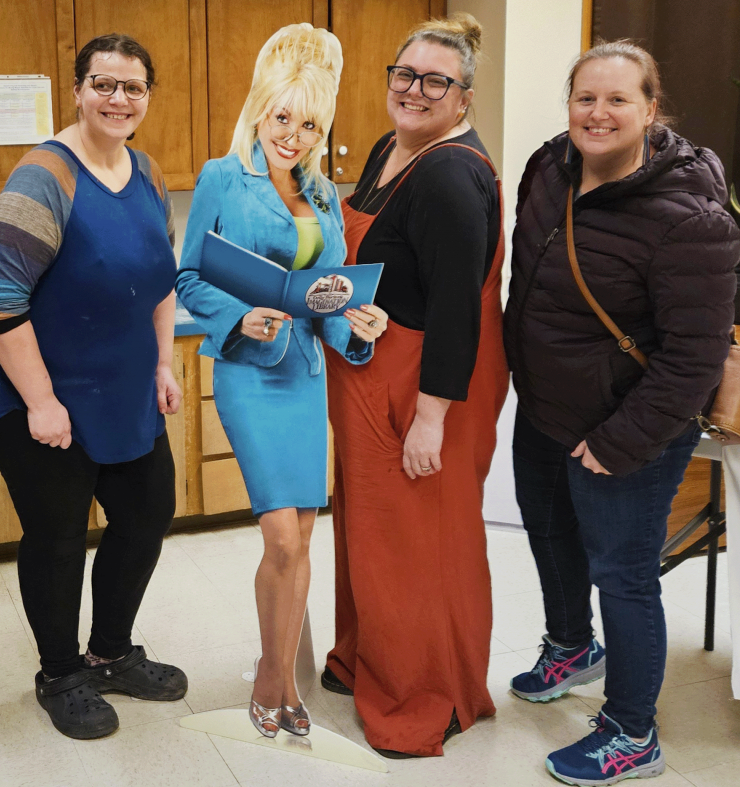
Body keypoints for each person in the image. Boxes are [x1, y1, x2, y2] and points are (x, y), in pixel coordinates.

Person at [505, 40, 739, 786]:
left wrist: (621, 440)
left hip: (628, 430)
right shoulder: (549, 165)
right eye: (585, 98)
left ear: (650, 109)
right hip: (543, 405)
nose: (597, 113)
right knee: (548, 533)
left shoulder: (691, 217)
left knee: (624, 574)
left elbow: (693, 359)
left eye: (617, 100)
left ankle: (633, 731)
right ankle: (572, 646)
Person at [0, 33, 187, 741]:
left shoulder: (145, 171)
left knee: (147, 512)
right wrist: (41, 400)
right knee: (59, 535)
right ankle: (60, 671)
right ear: (78, 90)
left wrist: (162, 362)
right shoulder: (44, 177)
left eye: (133, 87)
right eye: (103, 84)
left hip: (119, 381)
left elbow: (159, 277)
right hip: (35, 386)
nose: (118, 99)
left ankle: (112, 652)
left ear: (148, 96)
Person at [176, 23, 387, 739]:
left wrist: (353, 328)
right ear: (259, 110)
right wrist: (242, 316)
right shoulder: (220, 177)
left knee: (302, 532)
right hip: (248, 373)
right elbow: (189, 279)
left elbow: (326, 298)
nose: (293, 135)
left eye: (309, 123)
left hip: (305, 377)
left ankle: (281, 673)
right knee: (283, 536)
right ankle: (273, 676)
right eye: (282, 117)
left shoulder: (324, 194)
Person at [320, 13, 508, 757]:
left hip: (424, 387)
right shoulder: (387, 147)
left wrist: (431, 417)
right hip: (371, 373)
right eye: (405, 74)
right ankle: (369, 657)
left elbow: (458, 310)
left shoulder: (451, 175)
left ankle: (424, 693)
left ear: (463, 96)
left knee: (415, 546)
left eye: (436, 81)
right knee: (372, 535)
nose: (415, 90)